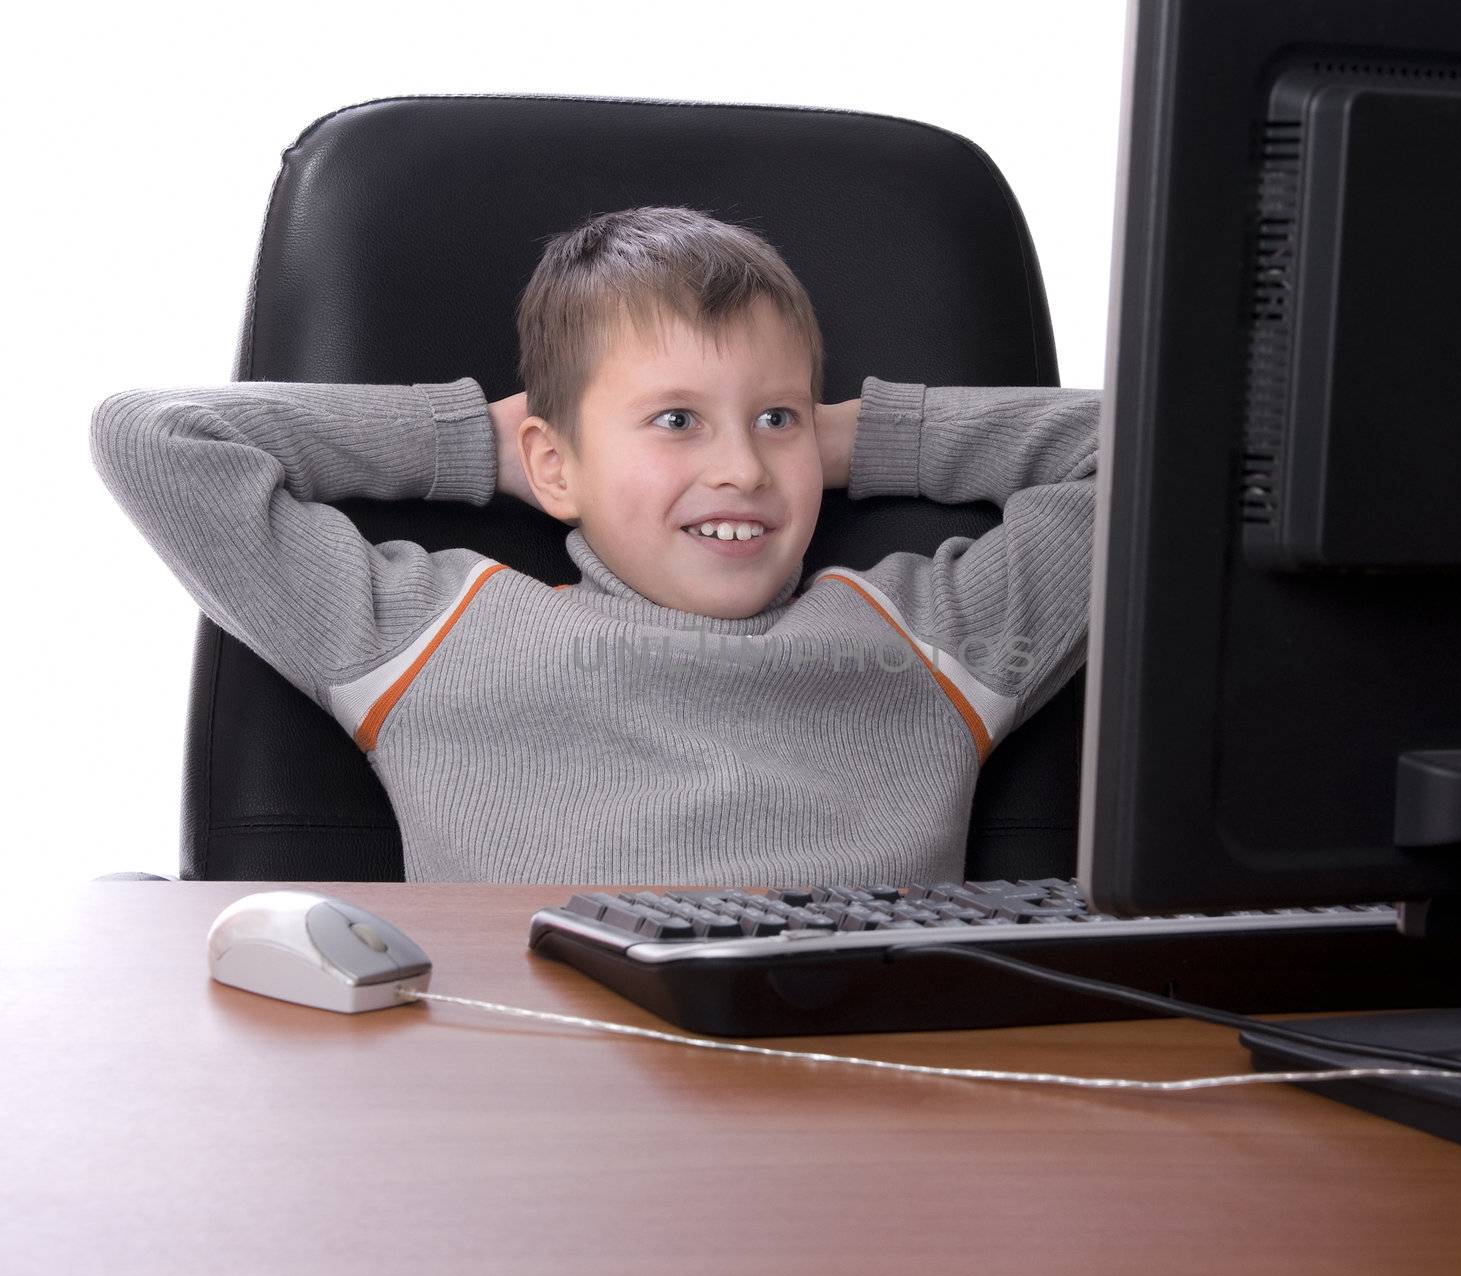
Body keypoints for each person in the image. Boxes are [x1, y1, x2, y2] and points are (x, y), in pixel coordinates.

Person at [89, 206, 1100, 887]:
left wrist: (850, 438)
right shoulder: (429, 636)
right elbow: (155, 436)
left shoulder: (936, 637)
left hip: (853, 1107)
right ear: (553, 466)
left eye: (774, 421)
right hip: (549, 1120)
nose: (741, 470)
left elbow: (1156, 453)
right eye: (675, 422)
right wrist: (479, 446)